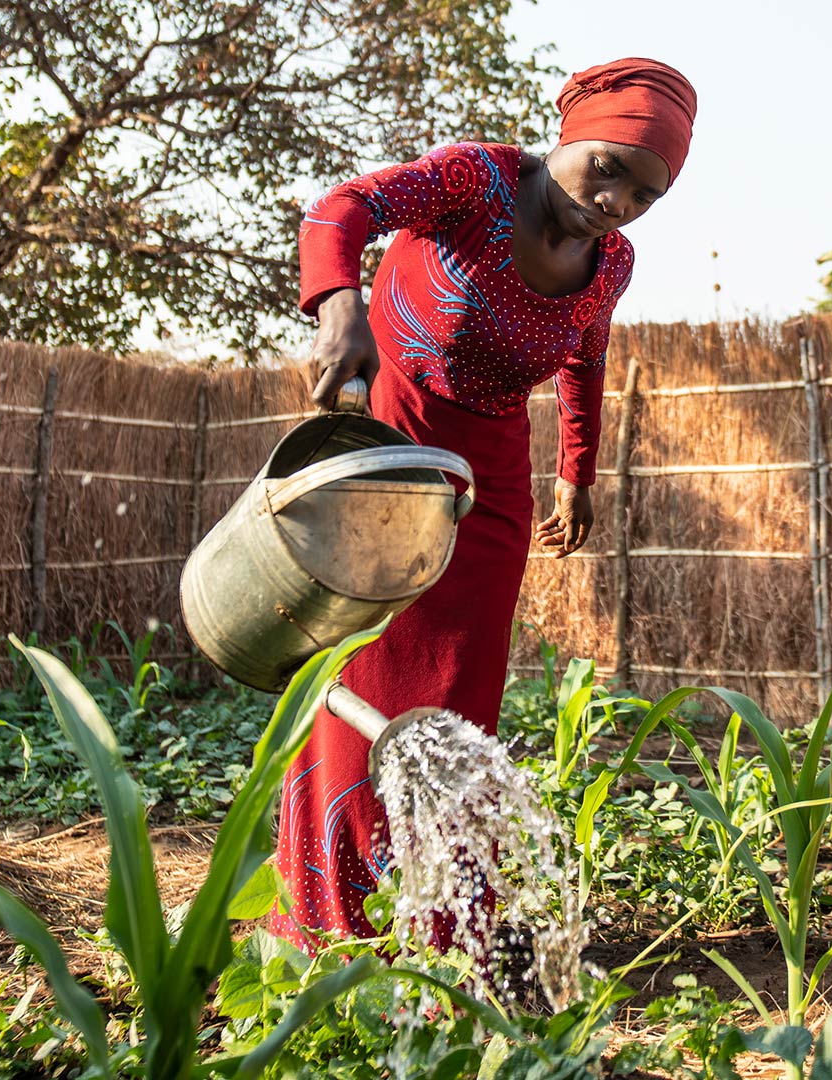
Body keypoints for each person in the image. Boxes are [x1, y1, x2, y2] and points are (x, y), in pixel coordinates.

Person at [271, 58, 698, 950]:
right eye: (609, 168)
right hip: (390, 447)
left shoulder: (611, 263)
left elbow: (584, 359)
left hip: (490, 481)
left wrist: (577, 471)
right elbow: (340, 209)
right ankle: (332, 913)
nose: (617, 202)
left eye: (645, 195)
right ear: (571, 136)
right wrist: (339, 308)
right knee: (360, 670)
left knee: (460, 691)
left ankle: (440, 919)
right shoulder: (475, 182)